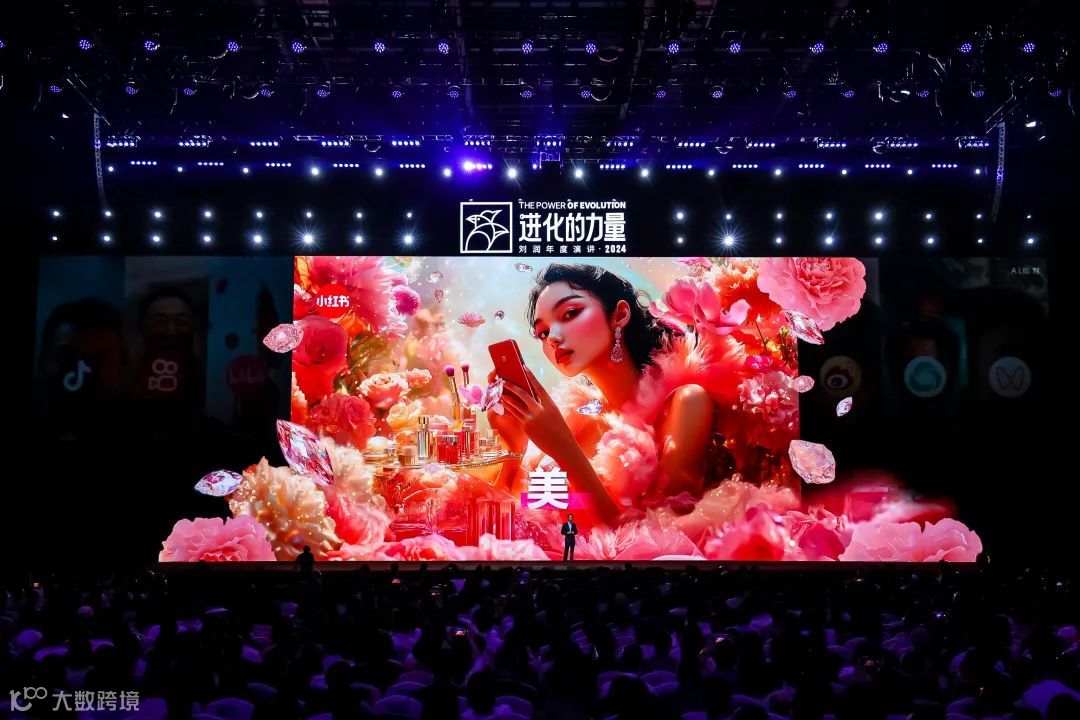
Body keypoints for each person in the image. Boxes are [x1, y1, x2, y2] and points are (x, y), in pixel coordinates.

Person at [487, 263, 729, 527]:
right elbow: (513, 520)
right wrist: (514, 449)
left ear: (619, 315)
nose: (552, 338)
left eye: (570, 313)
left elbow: (658, 538)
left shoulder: (686, 403)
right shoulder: (576, 420)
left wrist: (565, 450)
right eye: (542, 333)